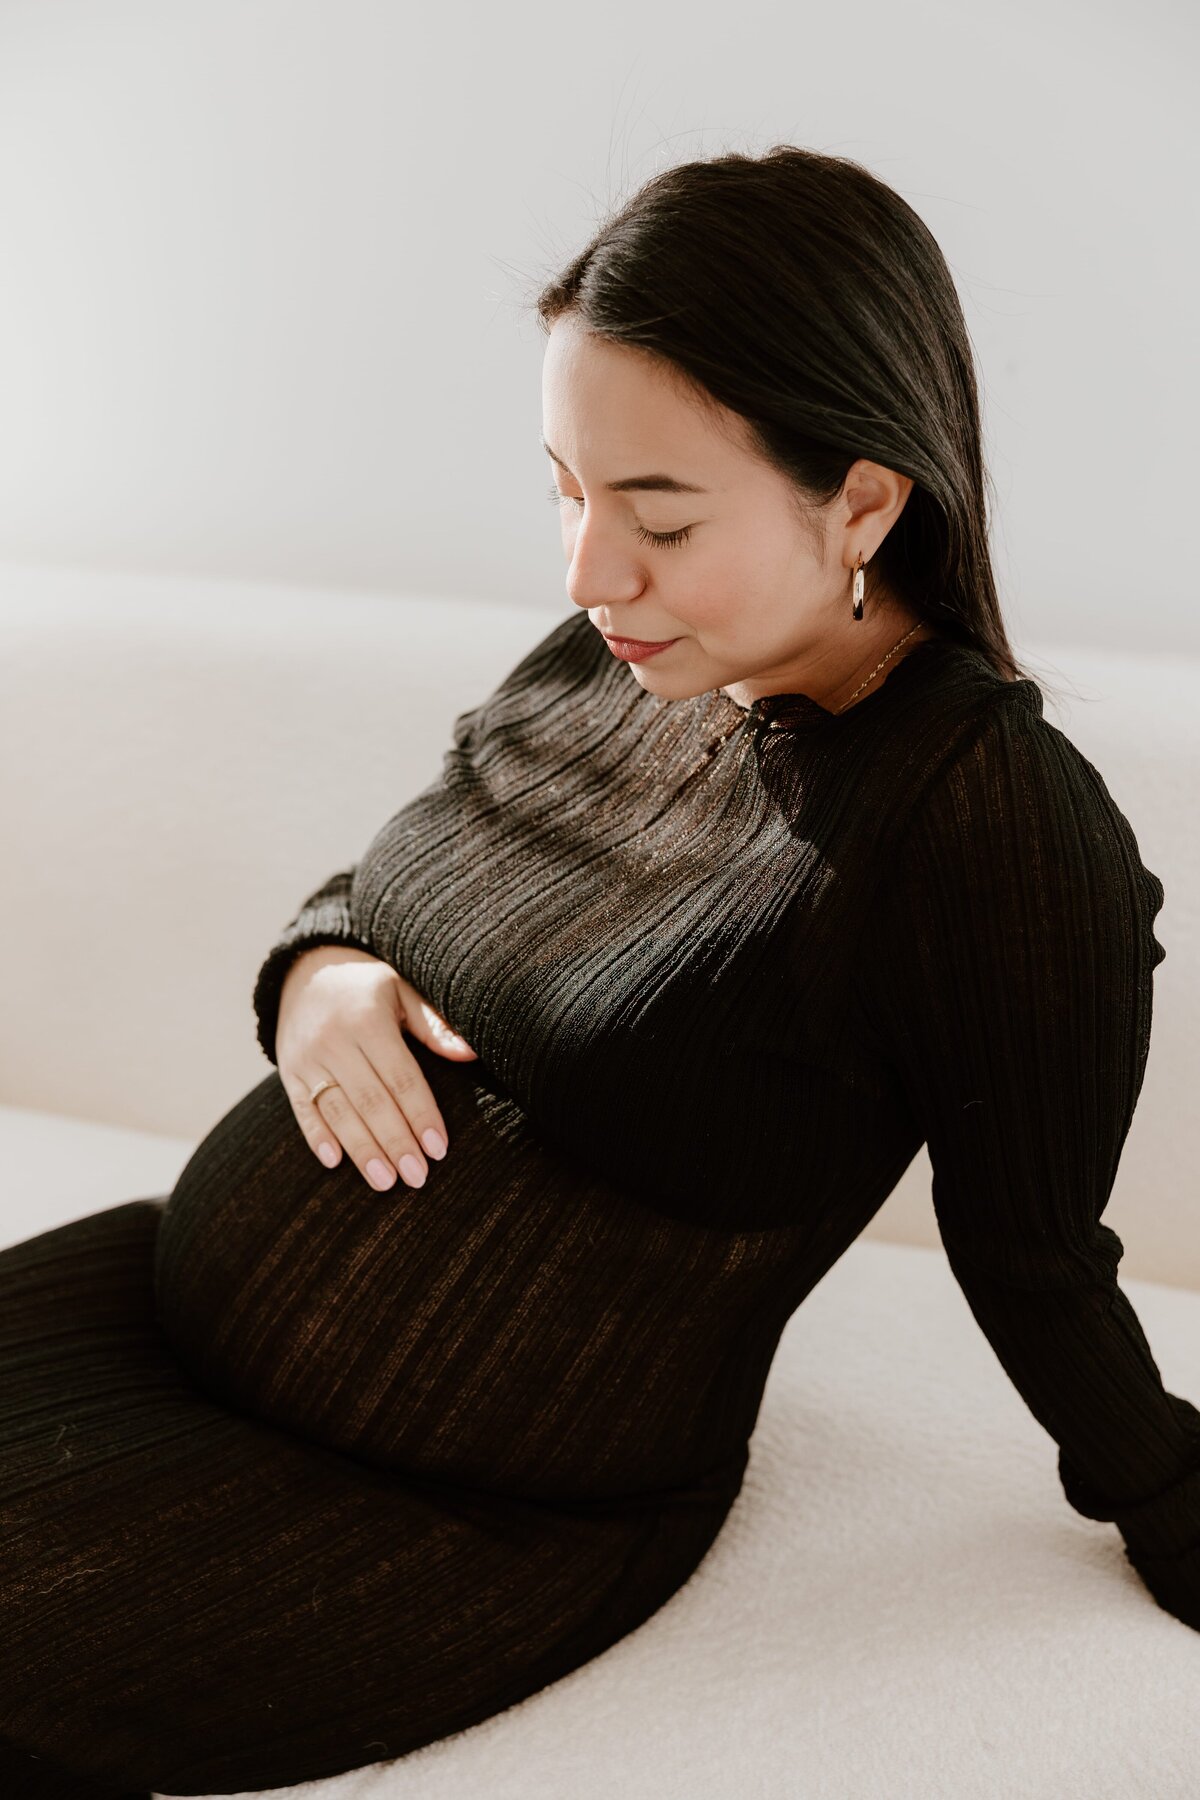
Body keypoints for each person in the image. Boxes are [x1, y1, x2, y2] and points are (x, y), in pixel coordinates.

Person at [2, 143, 1197, 1800]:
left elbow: (1042, 1255)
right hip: (148, 1315)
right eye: (565, 486)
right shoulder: (627, 652)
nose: (585, 571)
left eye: (656, 514)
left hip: (433, 1505)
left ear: (862, 498)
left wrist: (1175, 1504)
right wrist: (320, 973)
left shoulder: (981, 822)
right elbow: (397, 870)